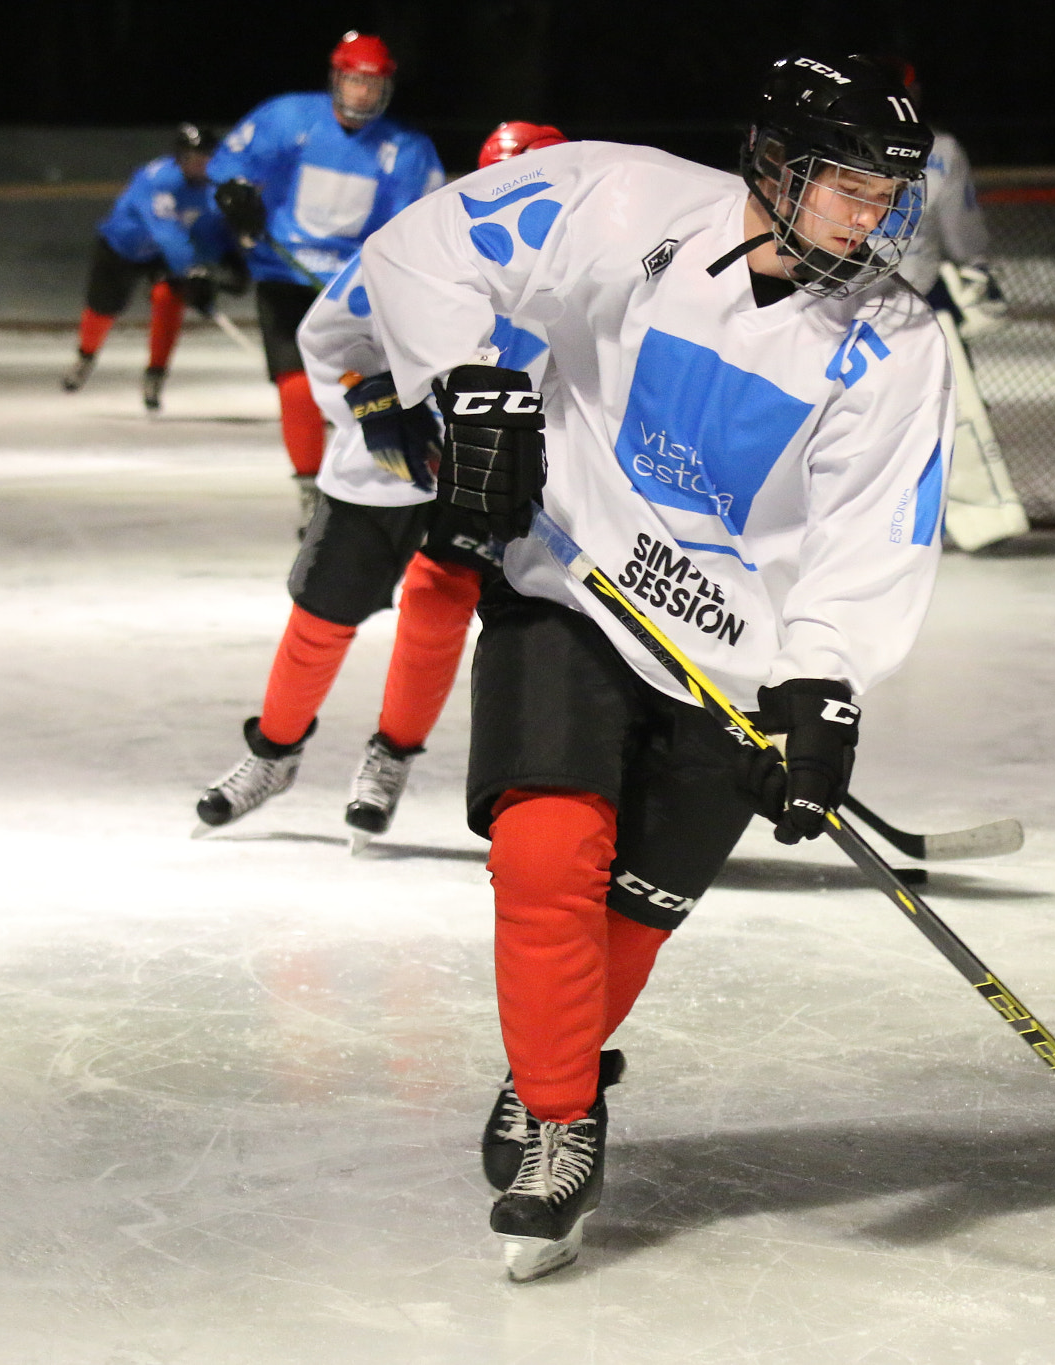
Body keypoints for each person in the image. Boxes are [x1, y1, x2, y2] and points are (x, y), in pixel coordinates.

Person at [355, 51, 950, 1281]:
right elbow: (423, 249)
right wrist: (473, 391)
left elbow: (872, 530)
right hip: (572, 579)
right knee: (542, 851)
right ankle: (566, 1123)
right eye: (847, 184)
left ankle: (544, 1073)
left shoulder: (894, 343)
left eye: (887, 191)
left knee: (633, 917)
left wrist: (822, 682)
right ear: (774, 169)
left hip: (732, 658)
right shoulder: (622, 205)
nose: (872, 214)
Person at [194, 123, 569, 849]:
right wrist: (373, 406)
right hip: (381, 470)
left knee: (439, 609)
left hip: (478, 474)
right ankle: (274, 752)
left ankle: (392, 755)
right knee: (323, 612)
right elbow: (329, 338)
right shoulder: (414, 246)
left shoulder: (582, 277)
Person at [208, 31, 445, 528]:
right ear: (337, 78)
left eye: (372, 85)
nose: (362, 94)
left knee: (368, 391)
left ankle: (387, 485)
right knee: (296, 388)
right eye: (355, 81)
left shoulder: (407, 150)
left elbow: (416, 226)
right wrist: (235, 198)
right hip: (285, 276)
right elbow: (229, 167)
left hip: (356, 291)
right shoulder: (287, 117)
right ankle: (308, 487)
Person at [885, 57, 1025, 551]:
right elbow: (962, 235)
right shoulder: (939, 150)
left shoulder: (835, 143)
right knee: (949, 412)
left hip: (848, 302)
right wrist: (976, 272)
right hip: (921, 302)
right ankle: (949, 516)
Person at [59, 123, 239, 411]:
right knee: (103, 308)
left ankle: (156, 374)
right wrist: (192, 269)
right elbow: (166, 230)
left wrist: (228, 257)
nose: (201, 165)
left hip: (165, 254)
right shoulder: (157, 180)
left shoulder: (212, 185)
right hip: (123, 248)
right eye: (194, 158)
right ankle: (86, 356)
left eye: (207, 157)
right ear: (180, 158)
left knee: (169, 298)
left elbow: (207, 227)